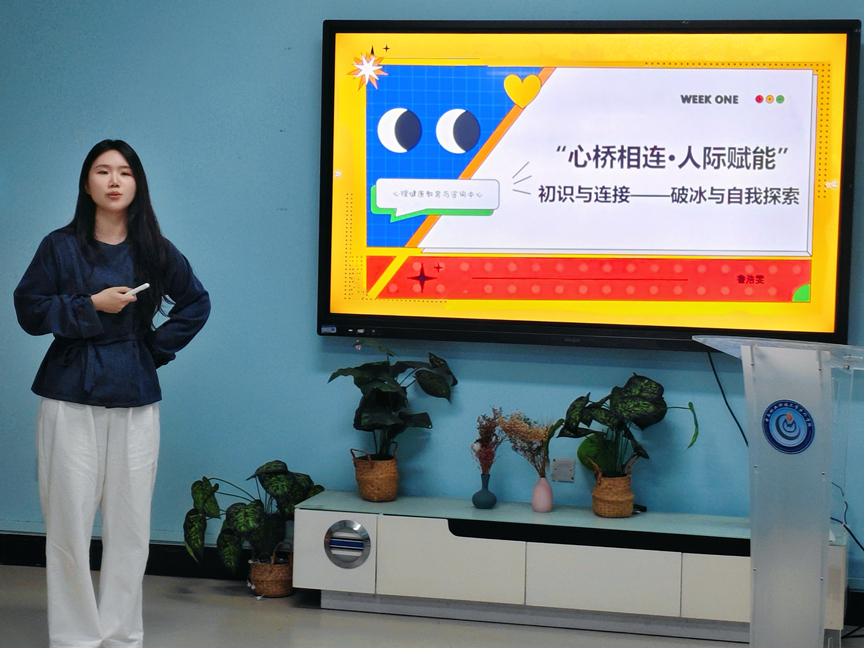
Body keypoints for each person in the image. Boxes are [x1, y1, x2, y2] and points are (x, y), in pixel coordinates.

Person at [14, 139, 210, 648]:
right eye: (102, 171)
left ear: (137, 183)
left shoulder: (155, 250)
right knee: (68, 523)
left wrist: (151, 351)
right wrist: (90, 306)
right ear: (87, 184)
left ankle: (122, 635)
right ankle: (74, 637)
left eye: (125, 171)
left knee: (130, 524)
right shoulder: (59, 246)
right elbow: (29, 309)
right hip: (68, 392)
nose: (115, 180)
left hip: (134, 393)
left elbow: (196, 303)